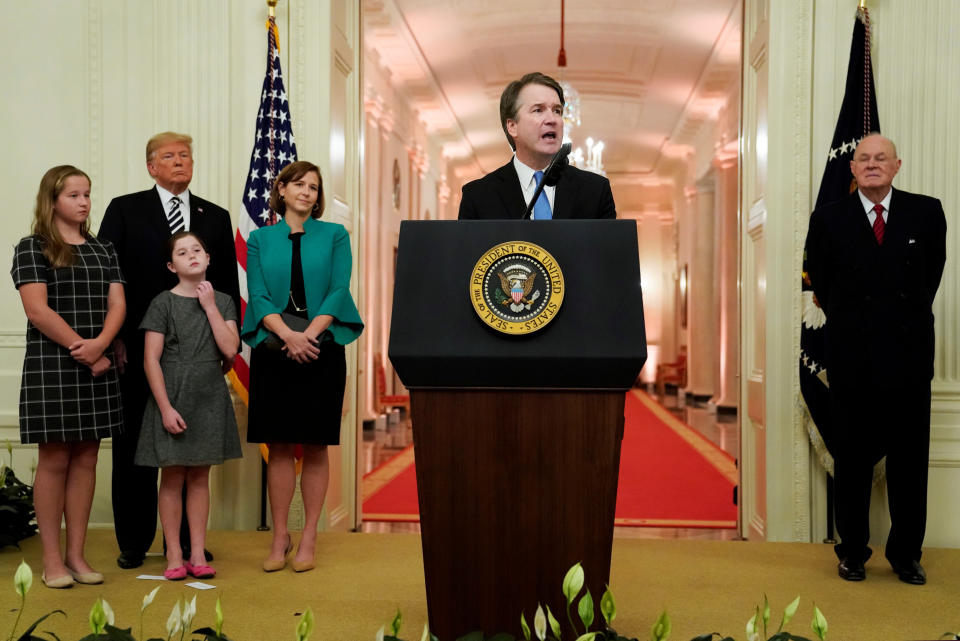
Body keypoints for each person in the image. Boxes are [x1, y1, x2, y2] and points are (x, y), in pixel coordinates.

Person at [804, 133, 946, 585]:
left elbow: (931, 277)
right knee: (852, 462)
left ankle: (906, 555)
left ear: (897, 165)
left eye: (880, 158)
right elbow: (821, 286)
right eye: (863, 158)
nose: (871, 164)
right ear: (852, 169)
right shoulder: (827, 219)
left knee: (909, 463)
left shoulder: (927, 212)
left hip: (908, 359)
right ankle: (852, 553)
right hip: (852, 359)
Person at [98, 132, 241, 570]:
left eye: (185, 155)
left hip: (200, 354)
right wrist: (115, 336)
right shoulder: (124, 209)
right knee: (137, 448)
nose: (179, 162)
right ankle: (135, 541)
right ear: (151, 166)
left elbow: (227, 288)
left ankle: (185, 546)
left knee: (191, 450)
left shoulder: (214, 216)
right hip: (139, 350)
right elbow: (109, 277)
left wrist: (226, 352)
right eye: (168, 156)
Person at [241, 160, 363, 573]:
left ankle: (309, 534)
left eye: (314, 186)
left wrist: (308, 334)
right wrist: (288, 337)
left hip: (322, 346)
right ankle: (280, 536)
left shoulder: (335, 235)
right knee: (277, 445)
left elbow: (338, 288)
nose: (308, 192)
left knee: (314, 444)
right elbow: (257, 294)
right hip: (274, 347)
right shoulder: (259, 238)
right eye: (299, 185)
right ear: (281, 190)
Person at [11, 166, 125, 588]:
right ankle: (53, 560)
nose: (83, 202)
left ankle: (77, 556)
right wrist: (85, 349)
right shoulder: (33, 247)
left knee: (87, 459)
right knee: (55, 459)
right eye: (74, 195)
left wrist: (102, 345)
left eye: (87, 195)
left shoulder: (103, 249)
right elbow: (37, 310)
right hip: (53, 365)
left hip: (97, 364)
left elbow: (118, 305)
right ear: (52, 201)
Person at [135, 231, 241, 580]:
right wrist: (165, 408)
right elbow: (151, 359)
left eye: (198, 249)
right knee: (172, 476)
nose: (192, 255)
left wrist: (209, 306)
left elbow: (229, 349)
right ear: (172, 265)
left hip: (208, 396)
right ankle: (174, 554)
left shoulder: (223, 301)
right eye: (183, 252)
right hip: (173, 395)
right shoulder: (162, 303)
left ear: (208, 258)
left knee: (199, 477)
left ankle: (197, 552)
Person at [458, 71, 616, 220]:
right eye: (538, 110)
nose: (552, 119)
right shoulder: (478, 196)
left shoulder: (595, 191)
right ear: (512, 126)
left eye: (557, 110)